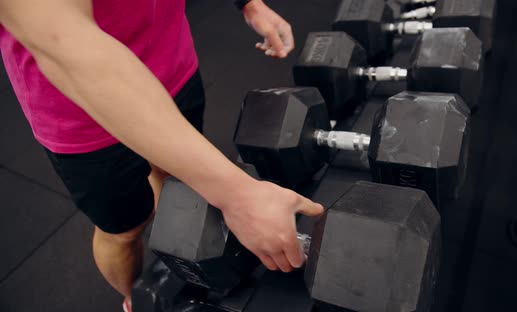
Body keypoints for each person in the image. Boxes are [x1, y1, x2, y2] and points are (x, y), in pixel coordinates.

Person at [0, 0, 324, 311]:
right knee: (124, 229)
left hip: (170, 61)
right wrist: (238, 196)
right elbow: (65, 44)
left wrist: (248, 2)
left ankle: (170, 241)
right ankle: (136, 298)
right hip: (83, 109)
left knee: (177, 187)